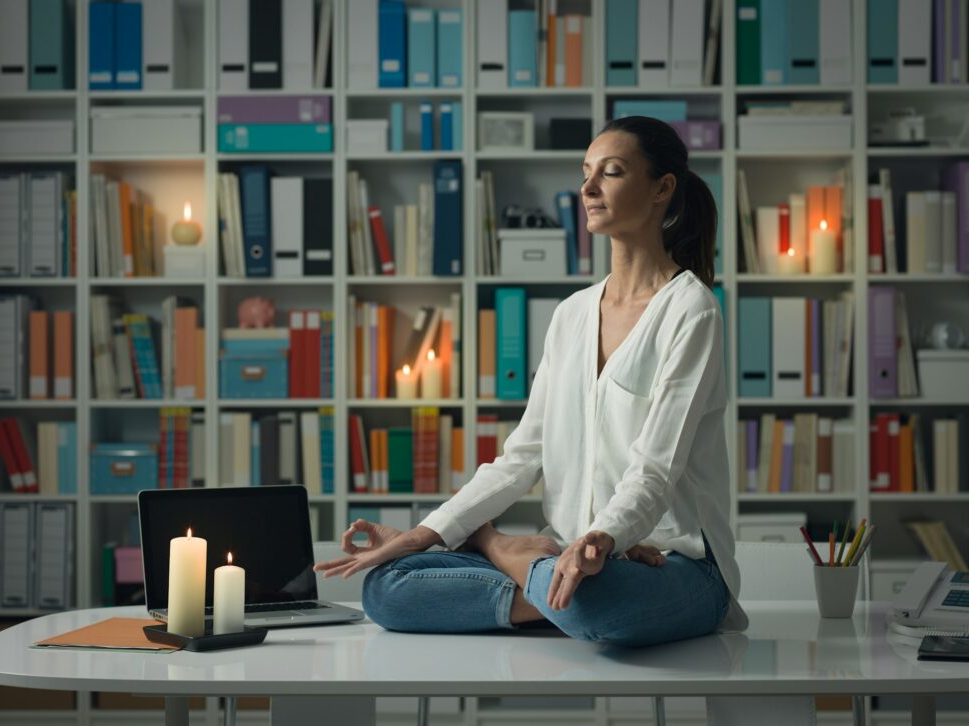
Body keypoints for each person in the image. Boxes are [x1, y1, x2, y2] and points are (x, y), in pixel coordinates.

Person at [315, 115, 749, 646]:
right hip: (570, 557)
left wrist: (603, 540)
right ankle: (547, 588)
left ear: (662, 188)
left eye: (610, 173)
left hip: (678, 567)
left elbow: (655, 470)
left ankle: (498, 550)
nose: (588, 188)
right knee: (386, 588)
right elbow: (523, 455)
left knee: (590, 601)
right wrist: (421, 535)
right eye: (585, 172)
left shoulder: (691, 311)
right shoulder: (572, 314)